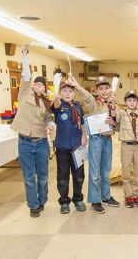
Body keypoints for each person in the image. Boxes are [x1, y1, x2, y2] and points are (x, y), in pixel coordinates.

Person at [11, 43, 55, 218]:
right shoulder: (24, 94)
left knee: (43, 176)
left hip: (42, 143)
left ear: (45, 88)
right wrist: (24, 54)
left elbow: (50, 118)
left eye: (41, 85)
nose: (37, 86)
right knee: (29, 177)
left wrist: (52, 125)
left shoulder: (47, 103)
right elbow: (26, 75)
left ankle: (42, 200)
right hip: (25, 143)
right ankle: (33, 205)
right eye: (35, 84)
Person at [71, 76, 120, 214]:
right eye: (101, 89)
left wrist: (114, 115)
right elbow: (85, 96)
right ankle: (95, 200)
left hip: (108, 139)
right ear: (96, 90)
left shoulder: (113, 103)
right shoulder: (93, 102)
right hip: (96, 140)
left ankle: (106, 196)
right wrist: (77, 86)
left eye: (106, 88)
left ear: (110, 89)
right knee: (95, 172)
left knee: (106, 170)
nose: (104, 91)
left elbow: (118, 122)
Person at [52, 80, 87, 214]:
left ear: (74, 93)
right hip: (62, 146)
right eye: (64, 91)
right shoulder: (58, 105)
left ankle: (78, 199)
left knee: (79, 175)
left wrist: (84, 136)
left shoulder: (78, 106)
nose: (67, 93)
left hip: (77, 146)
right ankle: (64, 201)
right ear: (60, 93)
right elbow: (55, 104)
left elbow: (82, 123)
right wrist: (56, 98)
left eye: (70, 91)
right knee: (63, 176)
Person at [112, 90, 138, 208]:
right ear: (125, 102)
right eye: (129, 100)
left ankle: (137, 195)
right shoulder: (122, 113)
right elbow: (114, 115)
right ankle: (128, 196)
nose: (132, 103)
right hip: (126, 146)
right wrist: (113, 105)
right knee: (126, 172)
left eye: (134, 100)